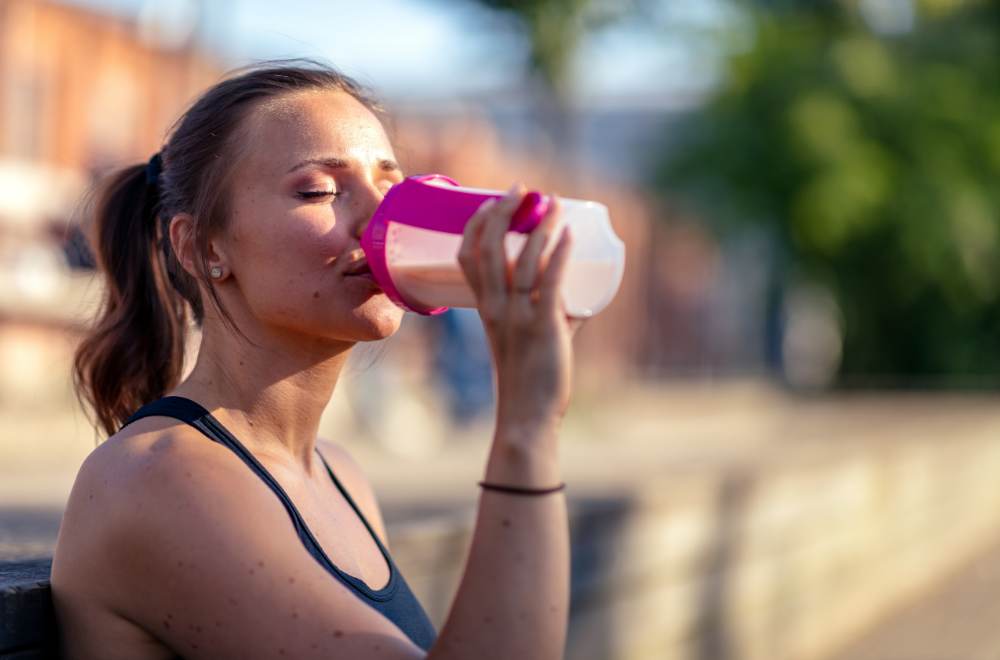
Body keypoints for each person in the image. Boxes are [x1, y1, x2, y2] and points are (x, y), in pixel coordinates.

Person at [51, 62, 577, 660]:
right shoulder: (157, 477)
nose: (384, 219)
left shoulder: (338, 475)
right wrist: (527, 428)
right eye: (320, 191)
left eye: (394, 188)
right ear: (201, 247)